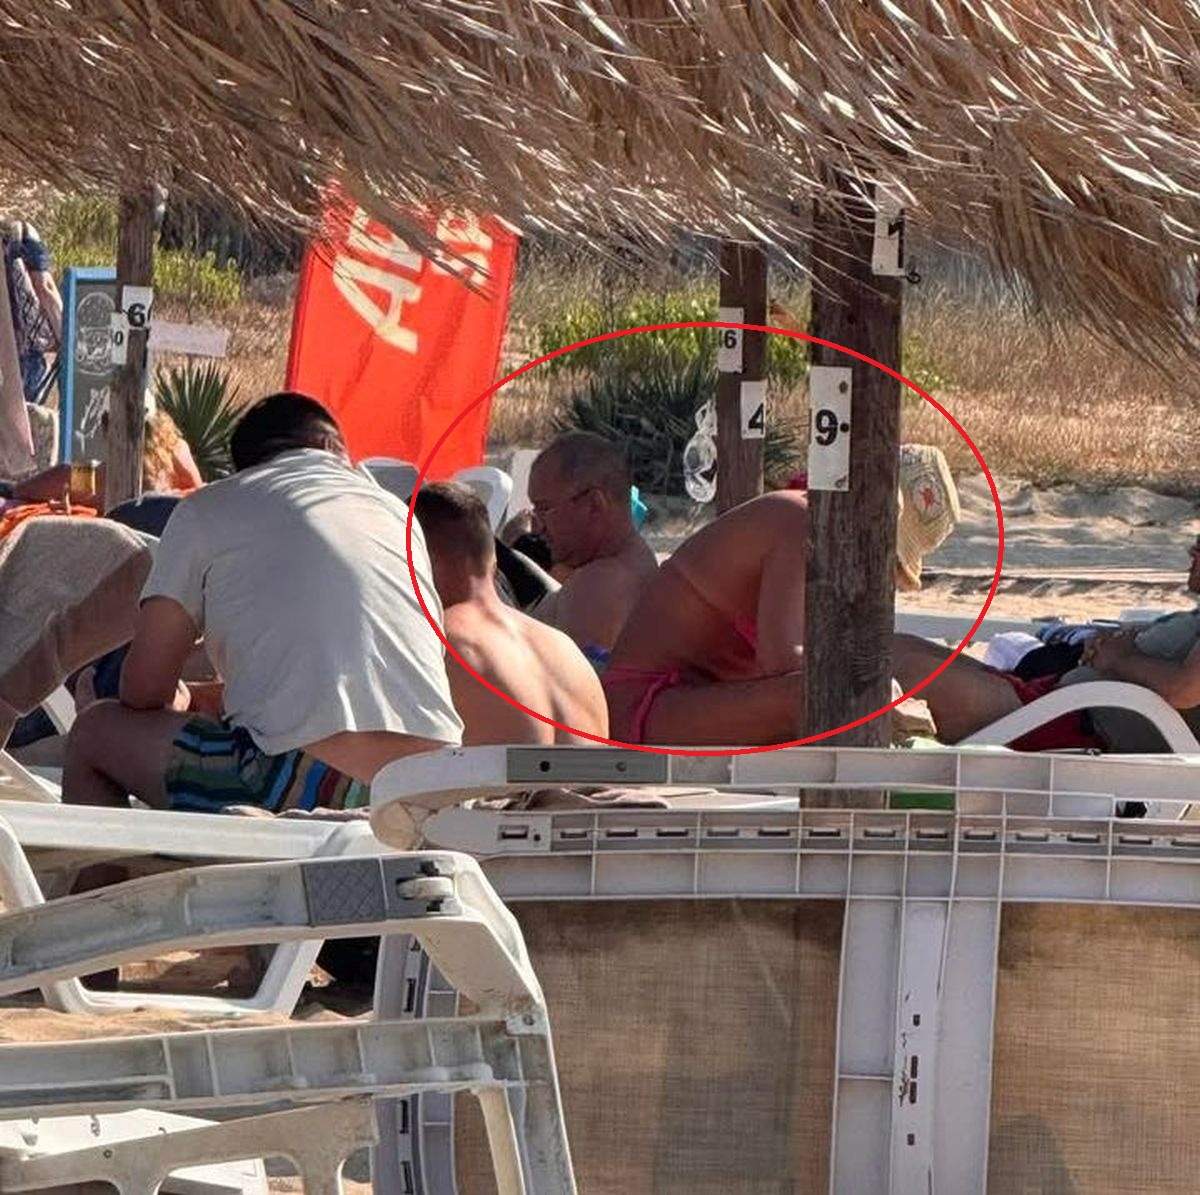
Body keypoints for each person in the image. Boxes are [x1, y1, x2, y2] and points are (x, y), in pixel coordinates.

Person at [63, 392, 463, 812]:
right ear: (330, 446)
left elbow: (145, 689)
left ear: (246, 468)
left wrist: (172, 705)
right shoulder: (398, 516)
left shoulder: (209, 509)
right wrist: (209, 699)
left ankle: (109, 860)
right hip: (439, 787)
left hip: (309, 781)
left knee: (94, 732)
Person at [604, 444, 960, 746]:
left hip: (691, 702)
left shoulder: (815, 531)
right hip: (645, 707)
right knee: (829, 692)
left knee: (871, 676)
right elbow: (783, 661)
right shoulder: (802, 522)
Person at [894, 532, 1200, 751]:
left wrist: (1119, 658)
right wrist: (1114, 640)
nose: (1191, 552)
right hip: (1065, 701)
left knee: (904, 671)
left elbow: (1185, 690)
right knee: (892, 648)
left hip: (1079, 723)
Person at [413, 481, 608, 744]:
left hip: (485, 773)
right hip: (590, 773)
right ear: (492, 558)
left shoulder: (435, 643)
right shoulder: (566, 649)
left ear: (417, 560)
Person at [526, 432, 659, 658]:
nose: (536, 527)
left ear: (595, 505)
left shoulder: (601, 587)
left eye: (545, 508)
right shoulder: (633, 564)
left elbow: (571, 679)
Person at [2, 220, 62, 402]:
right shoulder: (23, 232)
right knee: (28, 414)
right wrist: (67, 339)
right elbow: (45, 288)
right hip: (25, 350)